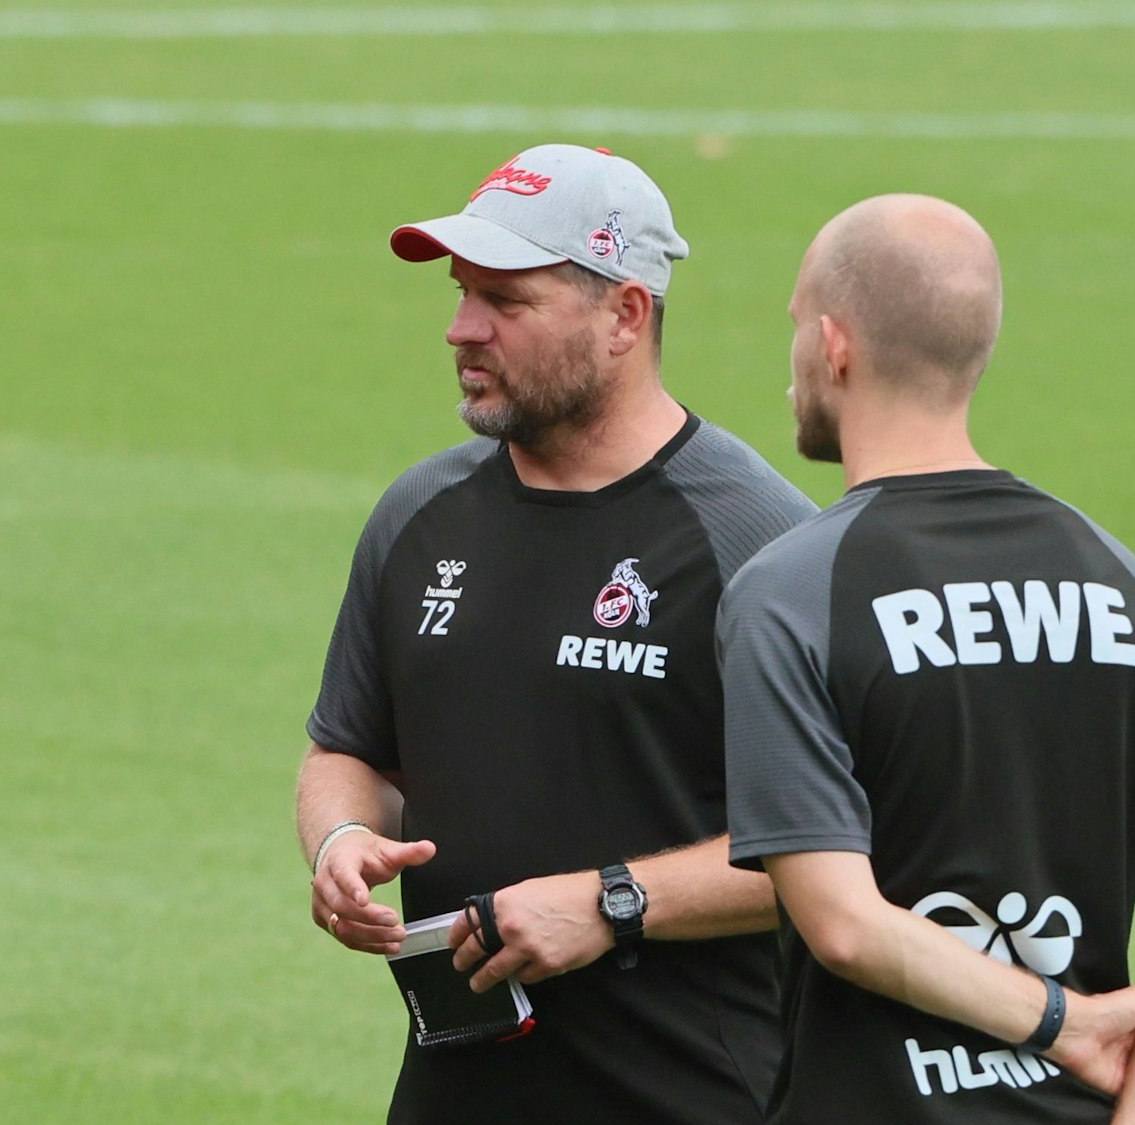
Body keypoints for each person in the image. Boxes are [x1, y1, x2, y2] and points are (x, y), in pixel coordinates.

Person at [296, 143, 816, 1122]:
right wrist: (343, 836)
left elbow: (848, 846)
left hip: (691, 1095)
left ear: (624, 315)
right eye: (461, 293)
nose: (461, 328)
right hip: (455, 1093)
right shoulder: (418, 517)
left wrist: (610, 903)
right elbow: (348, 749)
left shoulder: (761, 545)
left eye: (505, 300)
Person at [718, 194, 1135, 1123]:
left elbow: (843, 923)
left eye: (799, 323)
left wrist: (1059, 1021)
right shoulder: (1123, 580)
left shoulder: (792, 590)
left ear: (835, 345)